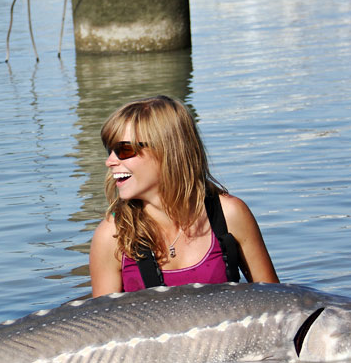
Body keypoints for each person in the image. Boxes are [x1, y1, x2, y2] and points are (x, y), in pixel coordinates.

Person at [89, 95, 278, 296]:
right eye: (109, 150)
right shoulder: (112, 236)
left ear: (167, 151)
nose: (109, 161)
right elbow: (101, 323)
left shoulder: (230, 214)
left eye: (123, 150)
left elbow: (277, 301)